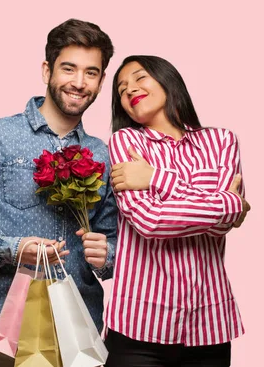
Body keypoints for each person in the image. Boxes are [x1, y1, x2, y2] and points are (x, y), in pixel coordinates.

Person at [0, 18, 118, 367]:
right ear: (47, 70)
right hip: (6, 328)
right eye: (69, 68)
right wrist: (14, 248)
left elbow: (114, 246)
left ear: (102, 80)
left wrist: (108, 254)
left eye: (91, 73)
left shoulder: (105, 155)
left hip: (79, 335)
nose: (79, 83)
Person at [104, 55, 251, 367]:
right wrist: (226, 203)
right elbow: (150, 221)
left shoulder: (221, 140)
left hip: (209, 324)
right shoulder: (125, 142)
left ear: (166, 80)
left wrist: (155, 178)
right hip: (138, 326)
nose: (129, 89)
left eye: (139, 78)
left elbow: (222, 225)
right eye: (121, 89)